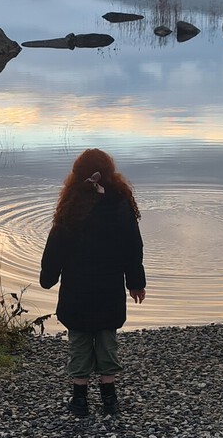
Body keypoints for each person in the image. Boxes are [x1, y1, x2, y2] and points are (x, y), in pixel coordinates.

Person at [39, 148, 146, 417]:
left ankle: (80, 399)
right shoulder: (121, 204)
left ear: (77, 177)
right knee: (107, 342)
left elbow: (55, 248)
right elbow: (133, 246)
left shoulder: (71, 207)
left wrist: (48, 278)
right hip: (109, 290)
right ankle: (109, 398)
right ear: (110, 174)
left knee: (79, 343)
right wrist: (135, 282)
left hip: (77, 291)